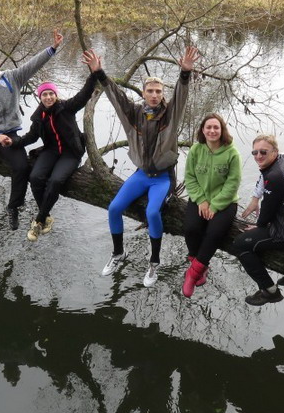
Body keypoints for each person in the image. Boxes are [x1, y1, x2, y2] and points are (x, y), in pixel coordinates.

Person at [95, 46, 201, 286]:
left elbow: (182, 96)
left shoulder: (170, 114)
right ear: (143, 93)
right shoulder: (133, 113)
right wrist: (99, 73)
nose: (154, 95)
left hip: (162, 178)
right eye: (150, 91)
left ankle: (154, 262)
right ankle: (118, 253)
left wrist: (184, 74)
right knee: (114, 208)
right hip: (141, 174)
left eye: (158, 91)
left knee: (152, 212)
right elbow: (114, 94)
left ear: (163, 94)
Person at [0, 31, 63, 230]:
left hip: (9, 134)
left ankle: (13, 207)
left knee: (22, 168)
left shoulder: (12, 78)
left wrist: (52, 49)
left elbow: (33, 65)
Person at [19, 50, 100, 242]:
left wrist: (94, 73)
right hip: (51, 151)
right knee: (35, 177)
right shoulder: (39, 117)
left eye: (51, 94)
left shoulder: (67, 107)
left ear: (56, 95)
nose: (48, 97)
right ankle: (46, 216)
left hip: (71, 153)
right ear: (40, 98)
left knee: (55, 181)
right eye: (44, 95)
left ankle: (39, 220)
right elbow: (31, 136)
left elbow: (84, 94)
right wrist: (13, 142)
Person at [231, 135, 284, 306]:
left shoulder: (275, 177)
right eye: (254, 152)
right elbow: (264, 178)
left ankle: (269, 291)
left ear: (274, 152)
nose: (258, 156)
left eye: (263, 152)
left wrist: (258, 228)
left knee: (240, 244)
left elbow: (266, 213)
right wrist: (256, 197)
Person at [182, 113, 242, 298]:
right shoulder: (195, 150)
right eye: (208, 127)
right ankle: (201, 266)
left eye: (216, 127)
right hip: (199, 199)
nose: (212, 131)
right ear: (203, 130)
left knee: (214, 233)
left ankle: (192, 274)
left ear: (222, 130)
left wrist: (214, 206)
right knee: (191, 228)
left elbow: (233, 183)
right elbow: (190, 177)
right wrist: (201, 200)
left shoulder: (232, 153)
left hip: (225, 202)